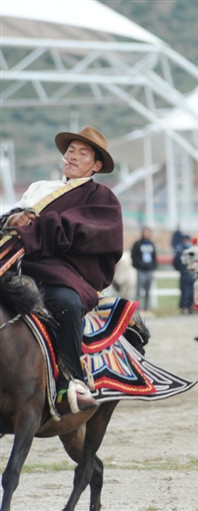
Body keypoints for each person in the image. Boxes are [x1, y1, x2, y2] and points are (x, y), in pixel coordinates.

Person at [0, 126, 123, 414]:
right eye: (70, 151)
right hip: (20, 266)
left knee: (67, 304)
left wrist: (38, 227)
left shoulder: (102, 197)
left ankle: (72, 382)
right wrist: (15, 219)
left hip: (63, 273)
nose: (73, 156)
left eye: (82, 153)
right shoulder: (39, 188)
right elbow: (11, 219)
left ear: (97, 166)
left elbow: (90, 232)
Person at [131, 226, 158, 312]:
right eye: (145, 232)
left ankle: (147, 308)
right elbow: (133, 256)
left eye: (147, 232)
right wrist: (139, 264)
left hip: (149, 270)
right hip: (141, 270)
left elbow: (154, 256)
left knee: (148, 291)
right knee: (139, 290)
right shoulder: (138, 244)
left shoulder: (151, 244)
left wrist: (153, 266)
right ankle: (138, 308)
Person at [173, 233, 196, 315]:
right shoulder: (180, 249)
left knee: (192, 292)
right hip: (184, 274)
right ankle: (183, 308)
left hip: (192, 274)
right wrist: (181, 270)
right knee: (185, 292)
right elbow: (176, 262)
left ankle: (190, 307)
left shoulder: (193, 249)